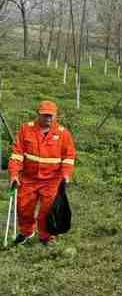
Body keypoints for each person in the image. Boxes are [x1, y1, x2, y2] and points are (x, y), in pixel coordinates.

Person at [7, 100, 76, 245]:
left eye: (51, 116)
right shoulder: (26, 129)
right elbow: (17, 155)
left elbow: (69, 157)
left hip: (52, 180)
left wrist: (66, 175)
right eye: (45, 115)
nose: (48, 118)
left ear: (56, 116)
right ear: (38, 114)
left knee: (47, 210)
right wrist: (14, 174)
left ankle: (47, 236)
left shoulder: (63, 134)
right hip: (29, 178)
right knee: (24, 207)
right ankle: (26, 232)